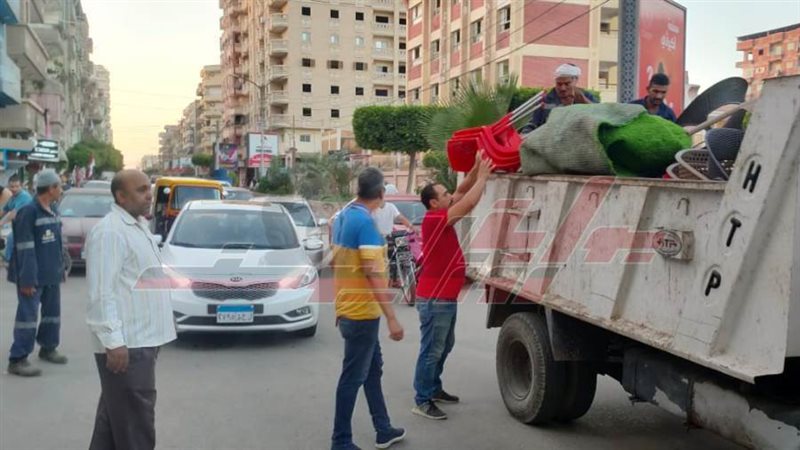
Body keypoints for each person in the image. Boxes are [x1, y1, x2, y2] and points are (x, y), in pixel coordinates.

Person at [85, 169, 176, 450]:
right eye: (140, 190)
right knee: (136, 425)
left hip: (142, 341)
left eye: (148, 189)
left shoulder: (136, 226)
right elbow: (102, 293)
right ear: (120, 196)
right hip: (128, 346)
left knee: (114, 419)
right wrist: (114, 342)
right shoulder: (111, 232)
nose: (149, 195)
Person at [412, 152, 494, 420]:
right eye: (444, 195)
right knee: (432, 349)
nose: (450, 196)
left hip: (444, 297)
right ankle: (422, 399)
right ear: (434, 202)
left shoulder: (441, 212)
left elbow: (461, 191)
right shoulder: (436, 219)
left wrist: (475, 169)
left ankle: (433, 388)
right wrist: (483, 177)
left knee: (444, 346)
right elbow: (468, 202)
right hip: (435, 299)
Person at [331, 167, 406, 450]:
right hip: (362, 313)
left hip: (349, 308)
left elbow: (337, 263)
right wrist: (392, 319)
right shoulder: (366, 225)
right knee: (352, 378)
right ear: (381, 194)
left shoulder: (343, 217)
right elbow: (373, 274)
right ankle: (340, 441)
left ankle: (383, 428)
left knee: (372, 371)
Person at [6, 169, 66, 377]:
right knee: (27, 317)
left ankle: (48, 347)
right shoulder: (28, 212)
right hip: (31, 276)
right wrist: (28, 280)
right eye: (59, 186)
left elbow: (57, 243)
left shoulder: (54, 209)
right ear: (50, 189)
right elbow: (25, 250)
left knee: (52, 315)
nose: (61, 189)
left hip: (51, 274)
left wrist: (61, 268)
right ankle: (18, 359)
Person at [521, 63, 598, 133]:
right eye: (559, 84)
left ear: (576, 81)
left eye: (567, 84)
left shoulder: (587, 97)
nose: (562, 88)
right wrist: (525, 136)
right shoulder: (545, 100)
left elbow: (600, 117)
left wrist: (584, 101)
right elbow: (532, 124)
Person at [1, 174, 34, 263]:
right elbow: (4, 211)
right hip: (19, 225)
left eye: (17, 186)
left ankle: (8, 262)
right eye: (12, 186)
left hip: (28, 226)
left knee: (11, 238)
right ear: (8, 186)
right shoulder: (12, 198)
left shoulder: (24, 196)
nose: (14, 189)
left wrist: (1, 223)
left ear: (21, 186)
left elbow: (13, 214)